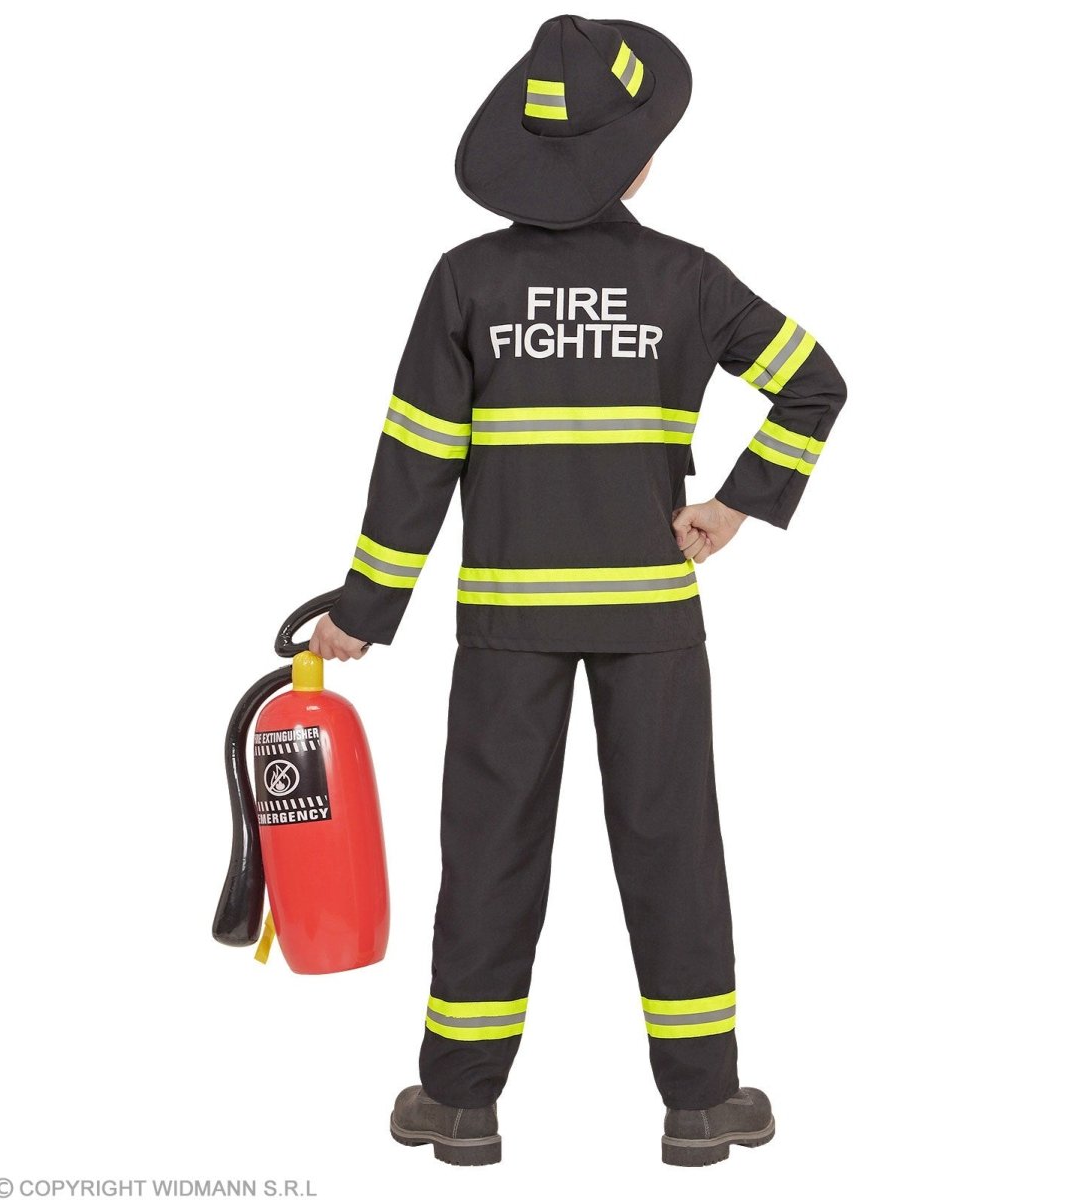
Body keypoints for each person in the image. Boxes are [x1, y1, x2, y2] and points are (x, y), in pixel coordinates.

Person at [309, 14, 846, 1168]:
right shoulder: (686, 279)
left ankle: (458, 1103)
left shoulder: (465, 280)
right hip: (652, 619)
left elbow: (417, 458)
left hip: (507, 624)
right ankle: (701, 1103)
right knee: (671, 846)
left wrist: (365, 608)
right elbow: (815, 384)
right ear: (636, 161)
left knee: (489, 849)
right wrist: (734, 506)